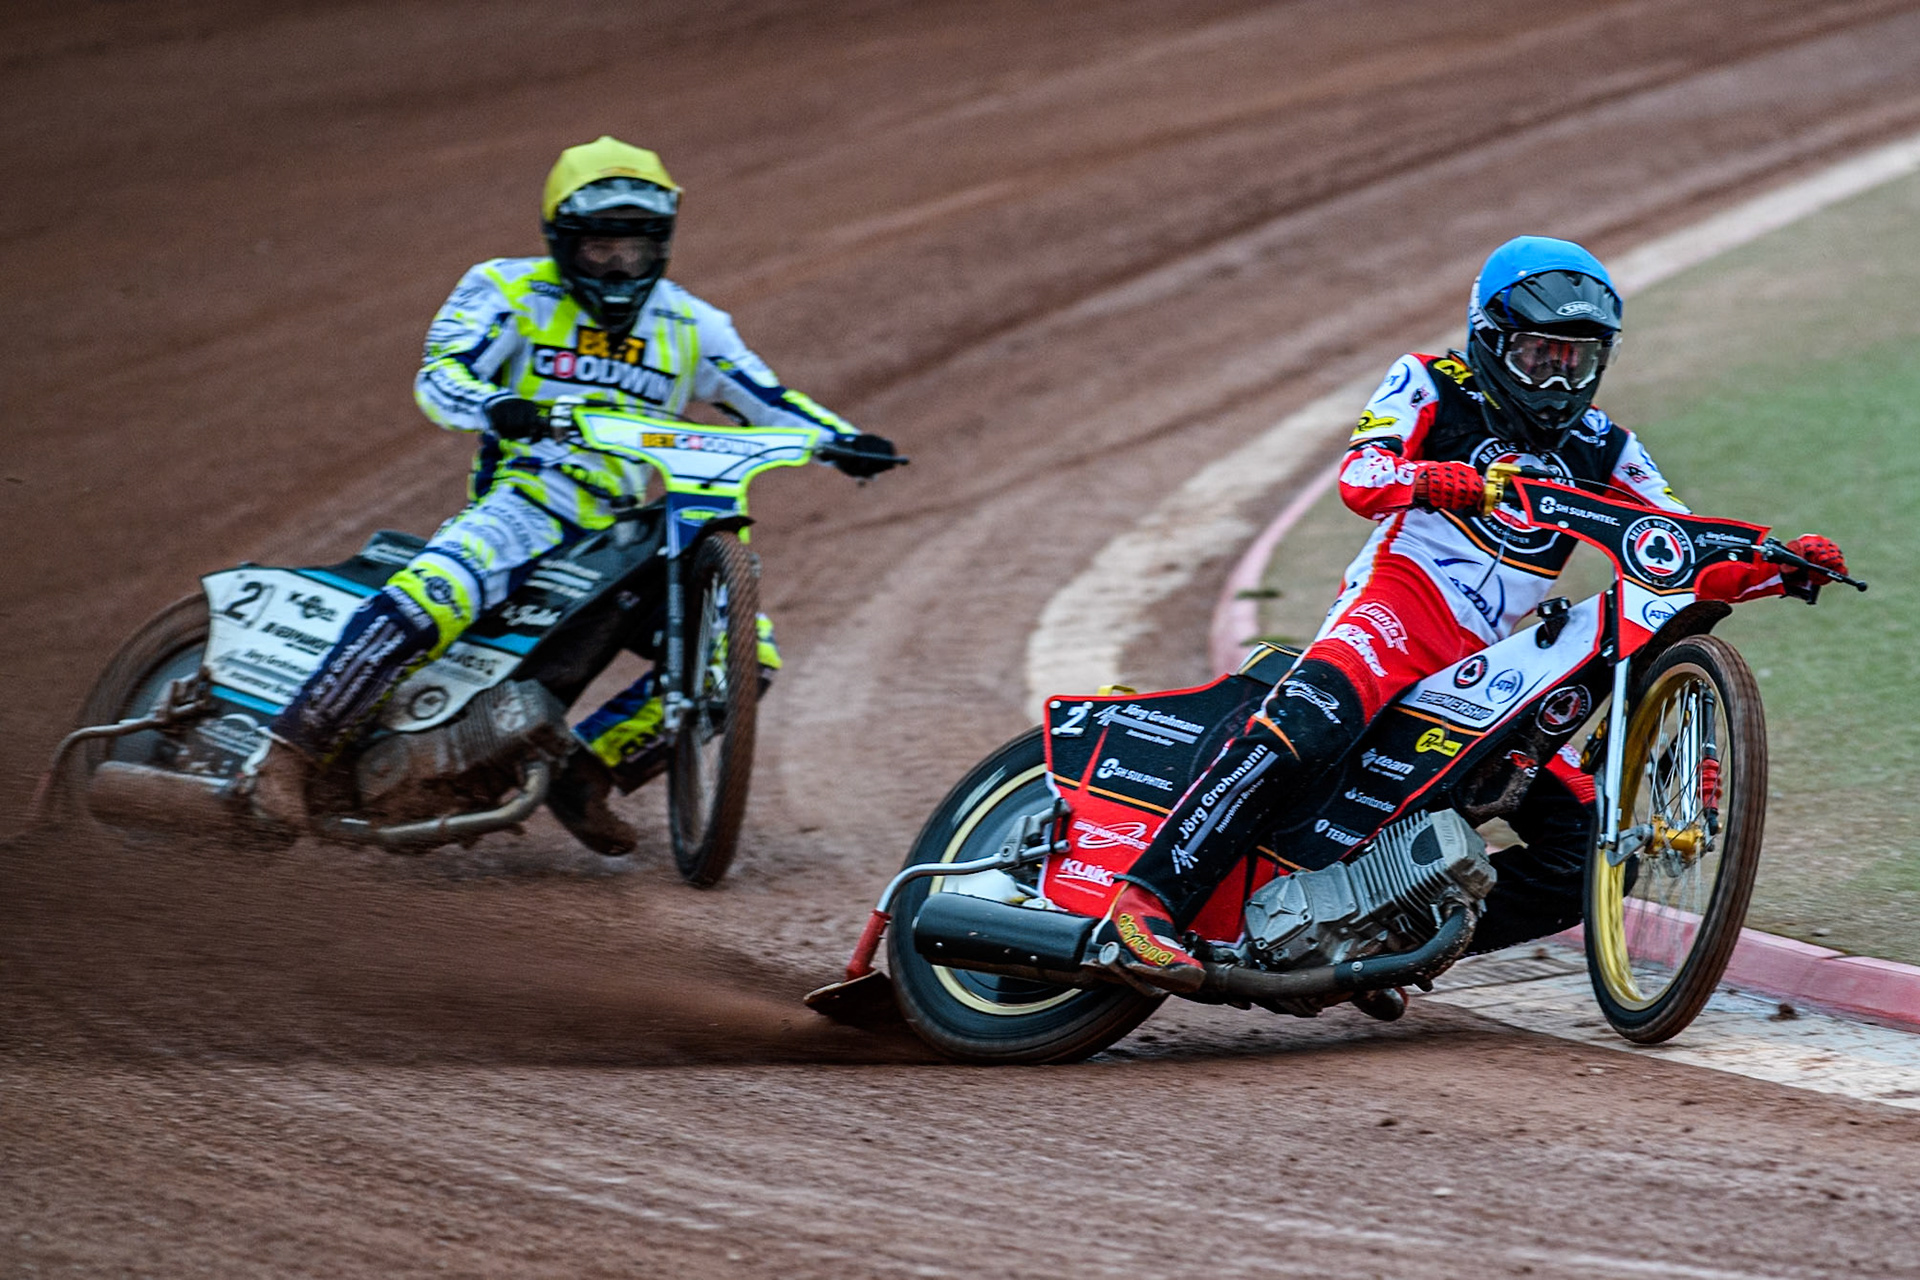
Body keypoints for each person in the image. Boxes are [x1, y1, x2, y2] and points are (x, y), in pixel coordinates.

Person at [1097, 235, 1849, 991]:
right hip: (1390, 616)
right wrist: (1439, 481)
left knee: (1575, 854)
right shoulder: (1429, 381)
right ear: (1490, 341)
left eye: (1579, 361)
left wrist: (1777, 567)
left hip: (1484, 668)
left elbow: (1676, 544)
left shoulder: (1606, 445)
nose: (1559, 381)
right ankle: (1144, 903)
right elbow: (1361, 475)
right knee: (1310, 723)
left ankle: (1389, 944)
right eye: (1539, 355)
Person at [246, 136, 896, 851]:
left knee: (747, 658)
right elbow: (441, 374)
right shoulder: (507, 290)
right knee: (437, 588)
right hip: (524, 503)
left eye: (637, 248)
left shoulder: (692, 324)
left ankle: (585, 774)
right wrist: (494, 405)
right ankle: (290, 752)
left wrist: (845, 441)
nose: (619, 264)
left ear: (663, 244)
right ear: (561, 239)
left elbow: (769, 398)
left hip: (620, 531)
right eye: (599, 248)